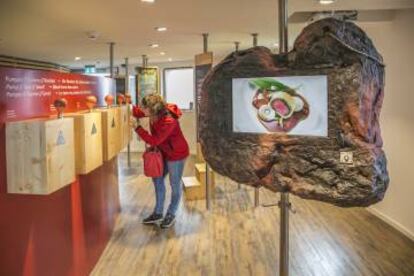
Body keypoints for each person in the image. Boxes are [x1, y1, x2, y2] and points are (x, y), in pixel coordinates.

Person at [131, 93, 189, 228]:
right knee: (157, 179)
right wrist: (125, 105)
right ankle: (158, 212)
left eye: (144, 108)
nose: (142, 111)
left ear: (152, 109)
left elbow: (155, 140)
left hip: (176, 155)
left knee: (175, 184)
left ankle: (171, 213)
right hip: (163, 152)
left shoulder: (169, 121)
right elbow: (137, 111)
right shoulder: (154, 112)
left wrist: (137, 128)